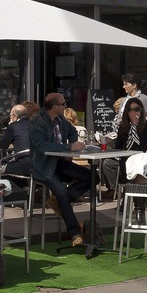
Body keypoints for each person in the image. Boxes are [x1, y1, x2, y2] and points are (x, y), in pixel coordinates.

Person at [30, 93, 91, 245]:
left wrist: (72, 147)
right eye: (63, 104)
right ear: (55, 107)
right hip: (44, 166)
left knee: (92, 177)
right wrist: (69, 147)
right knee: (62, 192)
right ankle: (75, 233)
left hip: (59, 162)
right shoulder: (37, 121)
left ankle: (57, 201)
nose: (66, 106)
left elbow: (72, 131)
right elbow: (41, 146)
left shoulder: (60, 119)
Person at [101, 97, 147, 193]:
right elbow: (118, 147)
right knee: (107, 163)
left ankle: (132, 190)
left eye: (137, 109)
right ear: (127, 112)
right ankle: (114, 190)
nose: (133, 112)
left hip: (141, 160)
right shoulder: (123, 126)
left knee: (136, 167)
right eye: (130, 110)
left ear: (141, 111)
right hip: (126, 159)